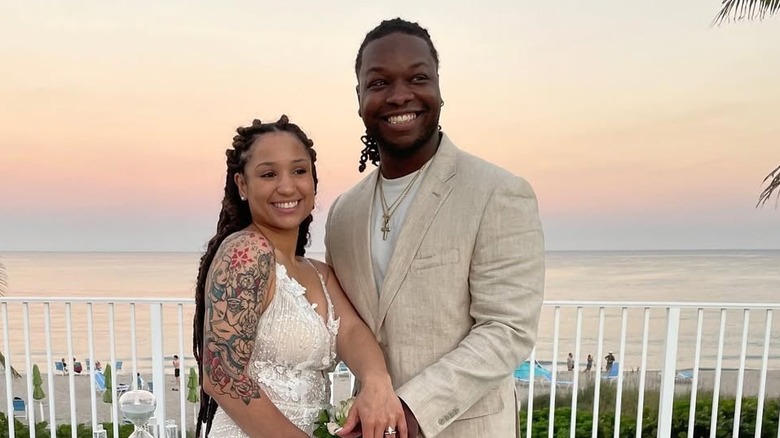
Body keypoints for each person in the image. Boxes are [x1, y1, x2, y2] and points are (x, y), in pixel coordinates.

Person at [324, 18, 545, 438]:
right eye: (379, 82)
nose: (400, 95)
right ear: (359, 98)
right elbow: (348, 327)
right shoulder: (342, 213)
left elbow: (507, 330)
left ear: (439, 88)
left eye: (418, 77)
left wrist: (408, 412)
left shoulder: (497, 191)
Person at [193, 116, 406, 438]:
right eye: (268, 174)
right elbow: (223, 376)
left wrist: (377, 381)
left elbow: (350, 331)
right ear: (242, 185)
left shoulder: (317, 273)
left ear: (313, 181)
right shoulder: (246, 252)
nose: (287, 186)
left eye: (299, 171)